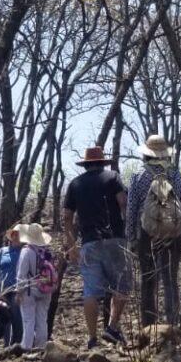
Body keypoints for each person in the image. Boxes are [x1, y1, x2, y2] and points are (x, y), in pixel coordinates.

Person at [61, 145, 131, 350]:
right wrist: (127, 228)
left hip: (89, 242)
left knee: (90, 291)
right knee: (122, 285)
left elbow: (66, 216)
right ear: (102, 162)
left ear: (86, 164)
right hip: (115, 239)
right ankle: (112, 327)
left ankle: (92, 339)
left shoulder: (75, 184)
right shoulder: (112, 177)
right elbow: (123, 203)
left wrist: (72, 245)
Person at [127, 134, 181, 326]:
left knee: (148, 281)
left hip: (147, 234)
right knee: (170, 281)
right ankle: (173, 324)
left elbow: (132, 209)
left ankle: (148, 326)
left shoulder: (138, 176)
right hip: (172, 234)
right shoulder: (175, 174)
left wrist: (131, 238)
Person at [15, 222, 58, 354]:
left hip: (30, 289)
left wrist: (18, 291)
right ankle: (41, 348)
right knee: (42, 320)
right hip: (46, 289)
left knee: (28, 320)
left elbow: (21, 274)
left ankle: (27, 348)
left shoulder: (26, 251)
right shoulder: (47, 252)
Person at [0, 225, 24, 351]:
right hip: (3, 288)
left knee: (17, 316)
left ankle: (18, 343)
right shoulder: (2, 251)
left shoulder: (24, 251)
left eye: (19, 234)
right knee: (5, 316)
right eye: (14, 234)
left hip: (17, 288)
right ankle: (6, 344)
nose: (16, 236)